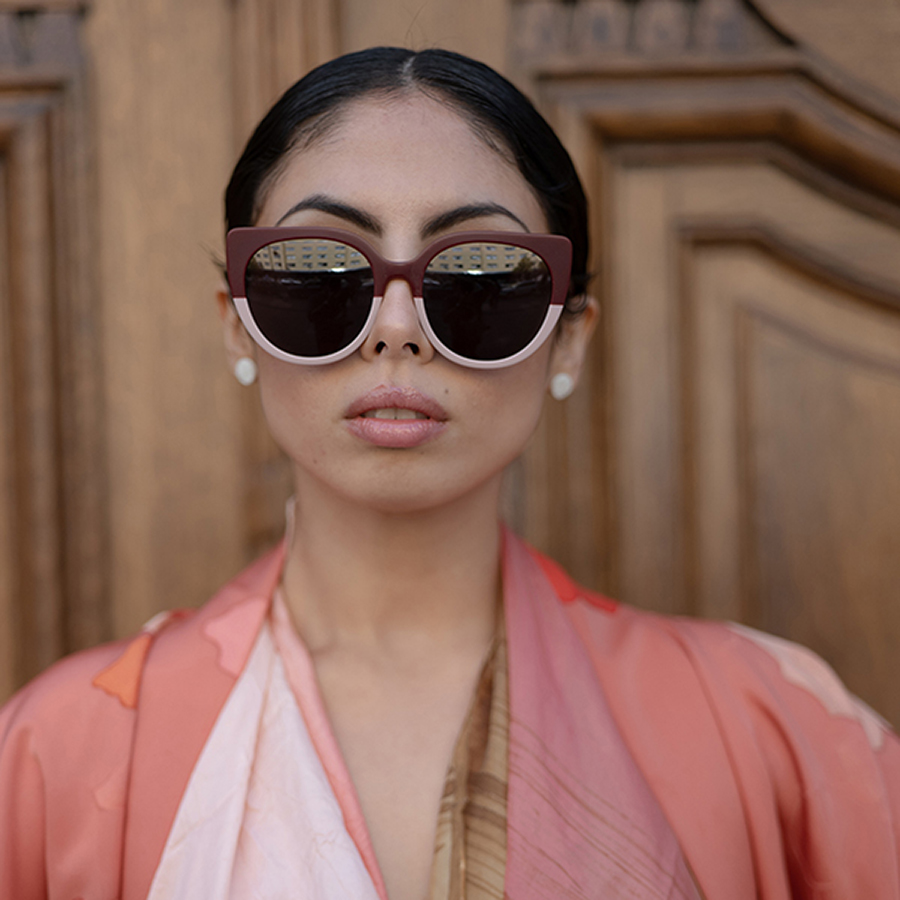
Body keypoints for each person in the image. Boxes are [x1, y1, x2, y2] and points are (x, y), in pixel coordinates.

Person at [1, 46, 898, 900]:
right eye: (318, 272)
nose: (398, 327)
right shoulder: (65, 752)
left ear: (568, 342)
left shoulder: (765, 729)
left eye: (477, 273)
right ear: (239, 327)